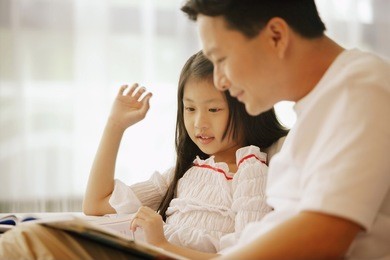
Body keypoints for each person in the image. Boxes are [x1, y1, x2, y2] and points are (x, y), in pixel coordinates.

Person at [0, 51, 288, 259]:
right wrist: (115, 127)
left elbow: (246, 255)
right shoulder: (183, 173)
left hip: (158, 253)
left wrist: (162, 244)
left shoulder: (251, 171)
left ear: (247, 108)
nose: (199, 122)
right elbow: (97, 204)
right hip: (142, 250)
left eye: (213, 109)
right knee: (19, 241)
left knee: (29, 241)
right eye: (189, 109)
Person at [179, 0, 390, 259]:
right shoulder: (316, 109)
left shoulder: (362, 89)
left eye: (221, 59)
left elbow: (323, 235)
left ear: (276, 36)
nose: (220, 80)